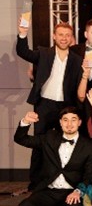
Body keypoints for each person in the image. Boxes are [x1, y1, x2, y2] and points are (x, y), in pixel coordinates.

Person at [14, 108, 92, 206]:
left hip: (71, 190)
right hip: (49, 190)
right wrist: (25, 122)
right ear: (60, 122)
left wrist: (78, 191)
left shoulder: (89, 146)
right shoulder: (50, 137)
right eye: (65, 120)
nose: (69, 124)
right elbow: (21, 139)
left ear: (79, 122)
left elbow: (90, 174)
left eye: (73, 120)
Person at [16, 20, 83, 189]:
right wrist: (23, 33)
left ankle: (60, 181)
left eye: (67, 35)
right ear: (54, 36)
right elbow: (23, 51)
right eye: (60, 35)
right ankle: (35, 183)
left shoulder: (77, 60)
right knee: (39, 144)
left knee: (64, 144)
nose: (64, 38)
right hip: (44, 105)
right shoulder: (44, 53)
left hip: (66, 107)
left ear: (71, 38)